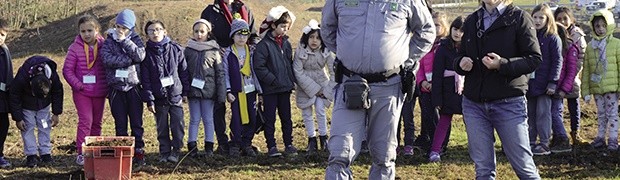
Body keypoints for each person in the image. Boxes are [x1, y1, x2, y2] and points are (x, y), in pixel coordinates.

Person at [321, 0, 435, 178]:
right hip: (349, 85)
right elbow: (327, 30)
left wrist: (405, 59)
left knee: (384, 156)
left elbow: (426, 31)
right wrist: (349, 54)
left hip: (389, 87)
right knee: (339, 154)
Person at [453, 0, 542, 178]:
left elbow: (534, 59)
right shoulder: (472, 20)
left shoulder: (519, 18)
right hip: (474, 104)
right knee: (483, 170)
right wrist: (460, 64)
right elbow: (461, 55)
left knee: (524, 167)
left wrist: (502, 64)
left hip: (509, 102)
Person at [200, 0, 259, 154]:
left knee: (244, 109)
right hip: (217, 61)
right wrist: (217, 48)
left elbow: (253, 35)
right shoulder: (210, 11)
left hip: (242, 60)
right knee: (219, 103)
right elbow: (205, 35)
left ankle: (243, 141)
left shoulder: (245, 9)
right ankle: (223, 142)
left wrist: (251, 48)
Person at [100, 9, 147, 166]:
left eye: (124, 28)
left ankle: (138, 153)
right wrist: (128, 61)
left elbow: (140, 56)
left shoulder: (135, 39)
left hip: (133, 87)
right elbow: (107, 59)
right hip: (115, 88)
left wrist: (125, 41)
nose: (120, 30)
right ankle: (123, 154)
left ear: (131, 28)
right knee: (120, 123)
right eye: (118, 26)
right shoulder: (109, 40)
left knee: (136, 122)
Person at [141, 20, 190, 163]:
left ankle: (176, 150)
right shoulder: (146, 54)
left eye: (158, 29)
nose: (155, 33)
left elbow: (184, 71)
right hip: (158, 98)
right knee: (161, 127)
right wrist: (149, 99)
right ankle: (164, 152)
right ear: (147, 34)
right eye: (151, 30)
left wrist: (185, 92)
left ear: (164, 31)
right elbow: (146, 79)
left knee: (178, 125)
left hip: (175, 95)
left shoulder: (176, 49)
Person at [62, 14, 108, 166]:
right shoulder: (74, 48)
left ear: (97, 30)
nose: (86, 34)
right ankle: (82, 153)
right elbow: (67, 71)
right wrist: (78, 85)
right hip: (82, 92)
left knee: (97, 123)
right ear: (79, 32)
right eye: (83, 31)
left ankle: (94, 151)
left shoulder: (105, 45)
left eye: (90, 30)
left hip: (100, 91)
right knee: (86, 121)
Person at [253, 6, 297, 157]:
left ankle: (289, 144)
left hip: (285, 88)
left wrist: (291, 80)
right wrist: (273, 80)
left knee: (287, 118)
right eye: (282, 26)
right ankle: (271, 146)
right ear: (273, 25)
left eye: (287, 27)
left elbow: (289, 64)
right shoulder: (263, 45)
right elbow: (259, 67)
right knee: (270, 119)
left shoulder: (286, 43)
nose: (285, 29)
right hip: (270, 89)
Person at [10, 56, 63, 168]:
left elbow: (58, 91)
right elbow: (14, 95)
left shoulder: (52, 75)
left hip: (44, 106)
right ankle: (31, 155)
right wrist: (18, 118)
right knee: (27, 128)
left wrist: (56, 113)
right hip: (27, 107)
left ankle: (45, 153)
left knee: (44, 126)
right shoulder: (22, 77)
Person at [293, 19, 335, 154]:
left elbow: (333, 71)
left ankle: (324, 137)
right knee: (306, 112)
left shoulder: (326, 51)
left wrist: (326, 90)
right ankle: (311, 139)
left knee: (320, 109)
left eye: (317, 38)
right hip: (305, 86)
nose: (314, 41)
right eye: (311, 37)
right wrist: (314, 90)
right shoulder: (300, 51)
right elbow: (298, 72)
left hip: (322, 84)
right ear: (307, 38)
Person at [184, 19, 225, 157]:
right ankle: (192, 146)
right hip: (193, 91)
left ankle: (209, 146)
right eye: (196, 31)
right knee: (194, 119)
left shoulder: (214, 51)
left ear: (208, 32)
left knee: (208, 119)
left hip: (209, 92)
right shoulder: (188, 50)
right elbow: (183, 71)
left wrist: (221, 94)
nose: (199, 34)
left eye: (202, 31)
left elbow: (220, 73)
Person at [581, 9, 620, 151]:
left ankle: (613, 139)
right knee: (601, 114)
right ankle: (600, 137)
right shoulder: (591, 47)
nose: (601, 29)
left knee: (613, 114)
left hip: (612, 87)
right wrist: (585, 91)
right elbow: (586, 70)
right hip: (597, 87)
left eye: (604, 25)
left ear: (609, 25)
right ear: (593, 27)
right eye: (597, 26)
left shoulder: (616, 44)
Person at [527, 3, 563, 156]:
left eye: (541, 17)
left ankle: (544, 143)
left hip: (545, 85)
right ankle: (529, 142)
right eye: (535, 17)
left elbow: (557, 61)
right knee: (530, 114)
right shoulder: (529, 37)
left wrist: (553, 82)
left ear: (548, 19)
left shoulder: (553, 38)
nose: (537, 20)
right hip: (530, 83)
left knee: (543, 114)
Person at [429, 16, 464, 162]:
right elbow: (437, 74)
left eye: (462, 31)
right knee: (443, 120)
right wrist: (437, 97)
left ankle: (479, 149)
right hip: (447, 90)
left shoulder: (470, 47)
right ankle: (435, 150)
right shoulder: (443, 48)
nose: (457, 33)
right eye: (455, 29)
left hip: (465, 91)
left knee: (473, 121)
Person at [223, 18, 260, 157]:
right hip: (236, 91)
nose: (242, 38)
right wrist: (228, 91)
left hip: (251, 90)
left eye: (245, 35)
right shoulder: (228, 53)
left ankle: (247, 142)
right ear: (232, 35)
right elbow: (225, 73)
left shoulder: (251, 51)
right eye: (238, 34)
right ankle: (235, 143)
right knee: (236, 118)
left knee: (252, 117)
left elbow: (255, 71)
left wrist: (259, 90)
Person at [414, 11, 450, 153]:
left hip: (441, 88)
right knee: (428, 116)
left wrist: (437, 84)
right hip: (425, 88)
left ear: (444, 26)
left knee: (442, 118)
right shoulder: (425, 43)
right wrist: (421, 81)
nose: (434, 28)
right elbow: (419, 64)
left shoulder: (446, 45)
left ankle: (442, 145)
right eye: (431, 24)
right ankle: (431, 142)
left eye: (437, 25)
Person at [553, 6, 587, 145]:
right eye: (559, 19)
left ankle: (575, 133)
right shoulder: (554, 34)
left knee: (574, 107)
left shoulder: (577, 36)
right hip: (557, 78)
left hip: (572, 78)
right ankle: (558, 135)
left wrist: (571, 77)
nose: (562, 21)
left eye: (565, 18)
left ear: (571, 19)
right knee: (557, 109)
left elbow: (580, 59)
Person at [549, 23, 579, 153]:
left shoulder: (570, 49)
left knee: (554, 113)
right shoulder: (556, 48)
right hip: (553, 87)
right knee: (554, 113)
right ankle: (557, 137)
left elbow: (571, 72)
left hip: (559, 88)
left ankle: (562, 138)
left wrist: (563, 90)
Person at [0, 18, 13, 168]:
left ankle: (0, 155)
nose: (0, 38)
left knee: (3, 126)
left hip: (3, 97)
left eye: (2, 35)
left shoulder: (5, 51)